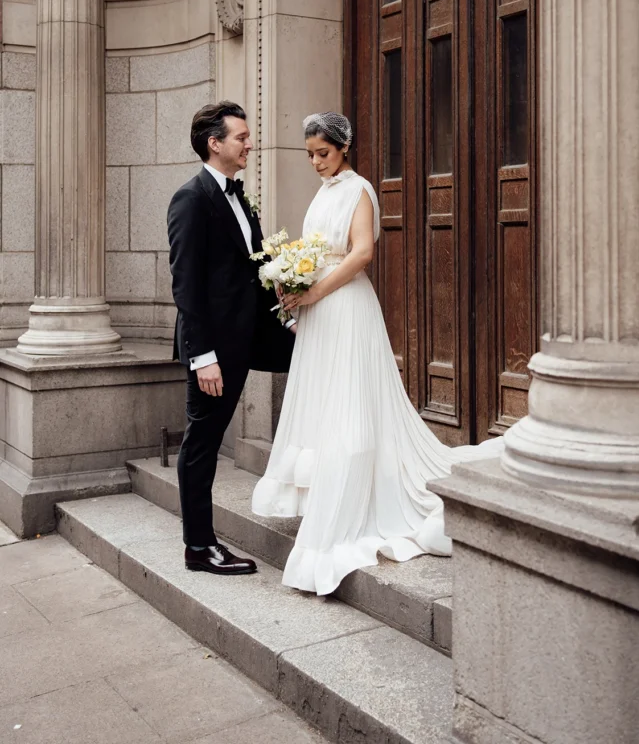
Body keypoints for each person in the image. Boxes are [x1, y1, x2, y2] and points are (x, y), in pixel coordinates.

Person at [252, 111, 503, 596]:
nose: (315, 163)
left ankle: (353, 496)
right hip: (318, 308)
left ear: (343, 148)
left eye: (322, 153)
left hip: (344, 306)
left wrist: (316, 290)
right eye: (309, 155)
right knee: (325, 398)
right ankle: (324, 489)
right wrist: (289, 275)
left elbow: (361, 252)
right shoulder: (323, 193)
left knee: (350, 399)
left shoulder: (360, 190)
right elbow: (315, 248)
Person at [168, 101, 295, 575]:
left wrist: (287, 320)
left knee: (323, 357)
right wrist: (202, 357)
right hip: (215, 349)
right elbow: (186, 285)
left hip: (255, 334)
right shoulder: (191, 198)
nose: (251, 144)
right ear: (214, 143)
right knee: (202, 443)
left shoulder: (240, 196)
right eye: (241, 137)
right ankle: (199, 548)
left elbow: (254, 274)